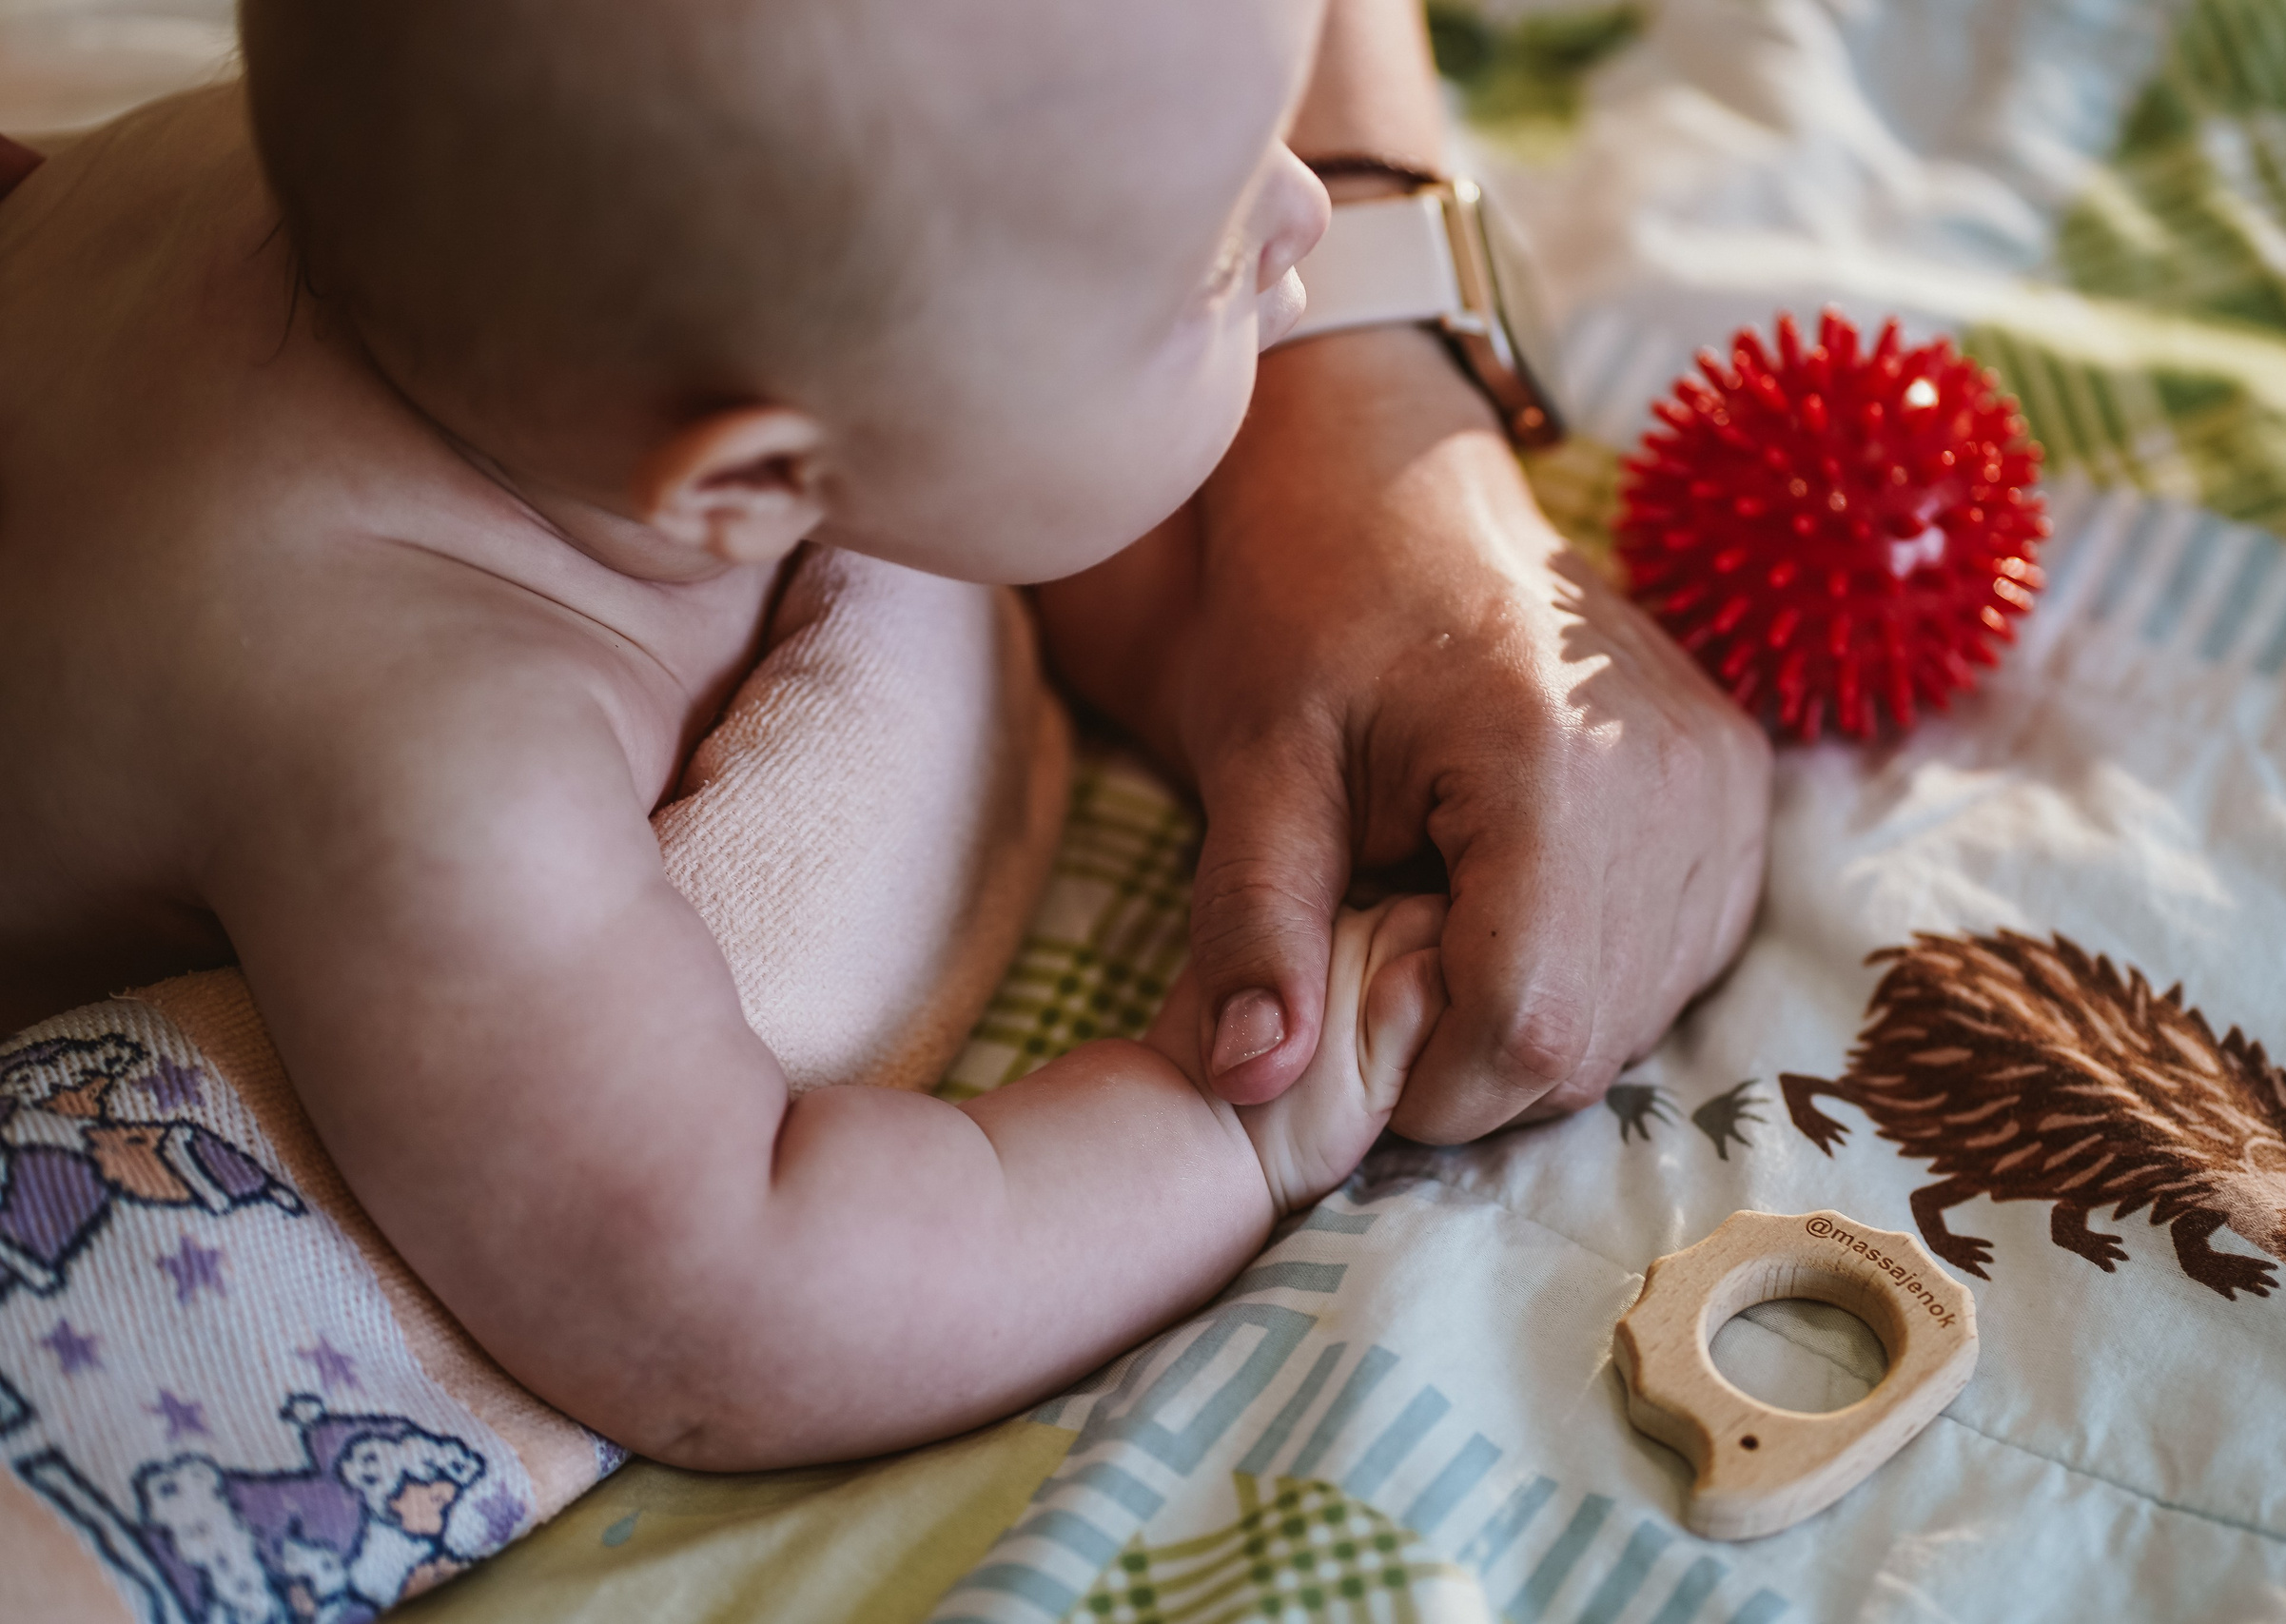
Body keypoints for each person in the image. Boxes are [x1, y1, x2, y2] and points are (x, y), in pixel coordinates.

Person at [0, 0, 1765, 1471]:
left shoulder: (458, 209)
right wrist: (1221, 1136)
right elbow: (731, 1305)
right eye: (1209, 257)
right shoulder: (436, 762)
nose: (1311, 214)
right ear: (756, 482)